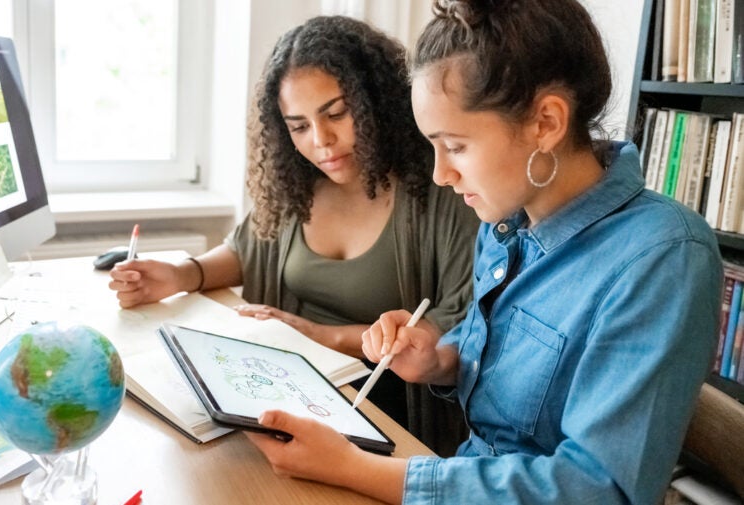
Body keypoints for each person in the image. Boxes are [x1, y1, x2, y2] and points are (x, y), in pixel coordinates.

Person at [243, 1, 723, 503]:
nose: (440, 174)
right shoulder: (505, 226)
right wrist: (436, 358)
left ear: (546, 121)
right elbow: (486, 354)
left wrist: (356, 469)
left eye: (455, 146)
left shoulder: (661, 256)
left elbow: (596, 489)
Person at [108, 15, 480, 454]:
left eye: (337, 114)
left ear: (376, 101)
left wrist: (311, 335)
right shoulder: (299, 184)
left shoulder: (442, 190)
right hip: (295, 389)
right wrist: (179, 275)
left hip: (387, 414)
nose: (321, 140)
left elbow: (455, 332)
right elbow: (249, 249)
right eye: (299, 126)